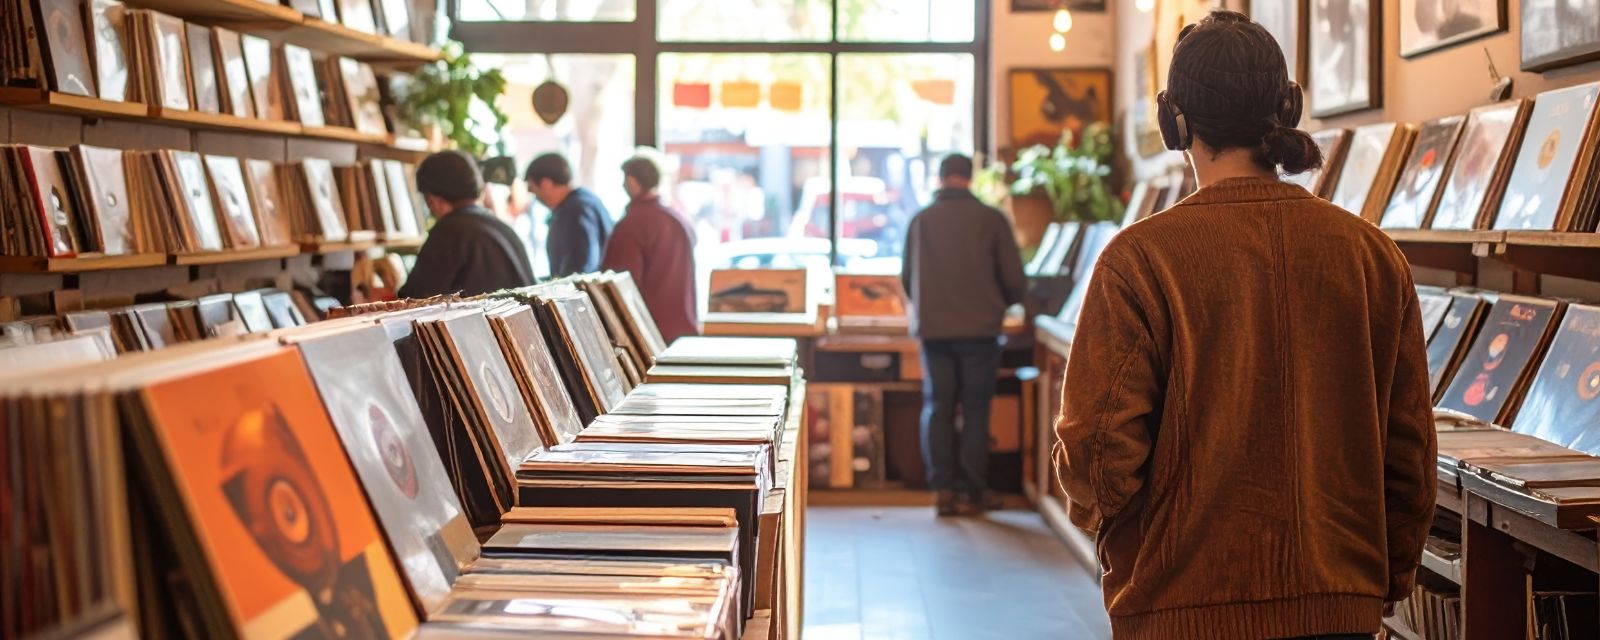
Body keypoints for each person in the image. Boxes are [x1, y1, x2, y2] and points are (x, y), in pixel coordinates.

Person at [1055, 11, 1435, 639]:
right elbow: (1409, 447)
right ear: (1287, 107)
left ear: (1173, 121)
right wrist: (1383, 579)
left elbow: (1097, 454)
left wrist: (1113, 535)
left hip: (1179, 605)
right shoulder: (1371, 254)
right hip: (1340, 602)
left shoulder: (1138, 259)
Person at [900, 154, 1026, 517]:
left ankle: (941, 490)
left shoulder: (920, 220)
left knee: (937, 406)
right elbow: (1015, 281)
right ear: (969, 178)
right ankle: (972, 491)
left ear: (941, 178)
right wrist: (1000, 304)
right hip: (980, 331)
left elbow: (907, 278)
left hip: (934, 330)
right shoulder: (992, 219)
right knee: (975, 410)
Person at [398, 151, 534, 299]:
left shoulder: (449, 231)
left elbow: (413, 300)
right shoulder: (502, 227)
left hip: (484, 322)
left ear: (433, 199)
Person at [602, 151, 700, 343]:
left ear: (632, 181)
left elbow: (621, 284)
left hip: (649, 333)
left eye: (624, 179)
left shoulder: (632, 224)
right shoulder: (677, 219)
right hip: (684, 329)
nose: (623, 185)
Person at [524, 153, 614, 277]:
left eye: (534, 190)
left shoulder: (575, 210)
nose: (536, 198)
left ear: (546, 184)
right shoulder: (584, 202)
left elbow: (581, 268)